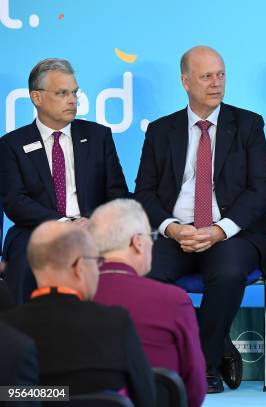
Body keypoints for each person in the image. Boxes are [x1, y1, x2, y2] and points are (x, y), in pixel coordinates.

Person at [134, 45, 266, 393]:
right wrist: (171, 227)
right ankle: (215, 342)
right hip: (176, 233)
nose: (216, 83)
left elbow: (261, 189)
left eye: (221, 75)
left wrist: (218, 230)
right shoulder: (160, 130)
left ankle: (203, 364)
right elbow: (144, 192)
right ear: (185, 81)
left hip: (232, 234)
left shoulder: (247, 124)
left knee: (228, 273)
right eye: (206, 76)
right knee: (147, 276)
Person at [0, 58, 128, 304]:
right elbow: (15, 202)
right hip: (36, 229)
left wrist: (94, 223)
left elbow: (117, 192)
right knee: (25, 264)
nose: (73, 100)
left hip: (92, 228)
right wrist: (62, 223)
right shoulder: (11, 145)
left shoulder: (98, 135)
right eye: (62, 93)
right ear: (37, 98)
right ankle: (27, 336)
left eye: (74, 93)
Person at [0, 221, 155, 406]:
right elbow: (147, 398)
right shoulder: (117, 323)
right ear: (79, 267)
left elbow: (9, 396)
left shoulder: (7, 330)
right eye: (97, 262)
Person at [90, 199, 206, 407]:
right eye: (152, 237)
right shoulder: (174, 300)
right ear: (138, 242)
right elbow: (195, 391)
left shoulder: (71, 298)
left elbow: (45, 392)